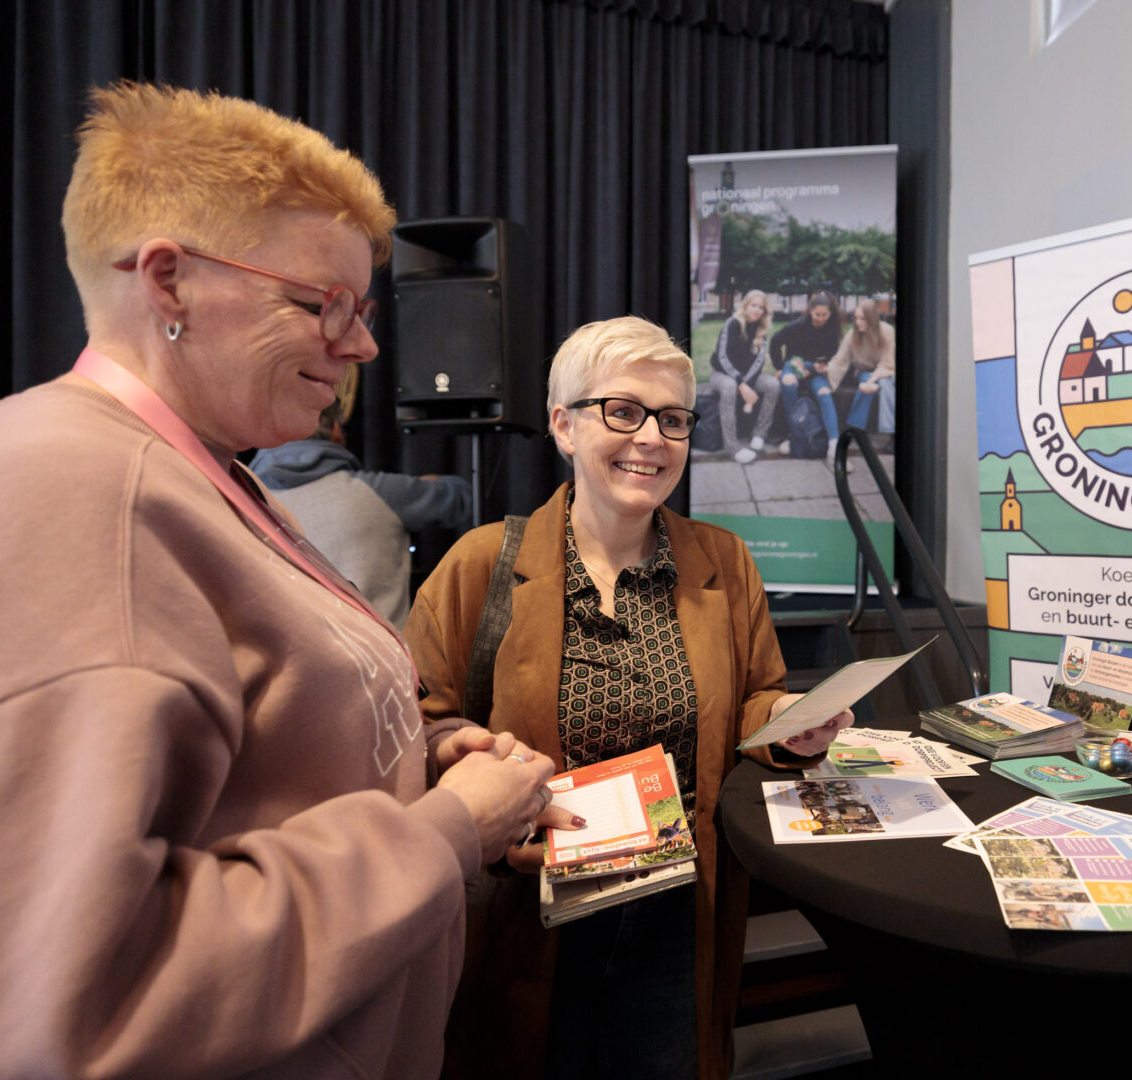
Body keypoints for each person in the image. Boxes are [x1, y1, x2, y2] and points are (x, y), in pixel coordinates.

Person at [0, 84, 568, 1079]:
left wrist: (419, 758)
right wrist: (450, 828)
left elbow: (248, 763)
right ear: (169, 282)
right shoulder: (68, 488)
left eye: (361, 309)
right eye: (320, 305)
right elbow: (76, 999)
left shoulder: (204, 471)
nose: (363, 346)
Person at [407, 316, 853, 1080]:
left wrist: (787, 724)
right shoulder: (481, 565)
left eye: (673, 419)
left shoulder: (723, 562)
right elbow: (415, 729)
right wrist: (471, 772)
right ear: (563, 425)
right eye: (623, 411)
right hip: (531, 918)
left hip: (678, 916)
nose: (651, 438)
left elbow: (755, 698)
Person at [252, 398, 472, 626]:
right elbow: (461, 497)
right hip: (377, 647)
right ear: (336, 430)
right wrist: (431, 483)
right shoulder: (380, 492)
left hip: (278, 646)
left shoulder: (244, 497)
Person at [708, 289, 781, 463]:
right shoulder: (732, 324)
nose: (756, 310)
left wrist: (746, 384)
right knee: (729, 386)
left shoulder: (762, 331)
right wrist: (741, 384)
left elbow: (758, 363)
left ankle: (760, 434)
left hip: (748, 378)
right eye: (753, 305)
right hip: (722, 374)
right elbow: (722, 358)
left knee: (773, 384)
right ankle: (732, 447)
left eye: (761, 308)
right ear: (745, 306)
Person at [771, 292, 844, 459]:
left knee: (824, 393)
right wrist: (779, 367)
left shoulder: (832, 331)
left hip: (816, 371)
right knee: (788, 382)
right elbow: (775, 341)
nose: (820, 318)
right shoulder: (796, 326)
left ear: (830, 314)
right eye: (817, 314)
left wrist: (819, 368)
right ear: (810, 310)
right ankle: (793, 435)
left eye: (824, 315)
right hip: (793, 366)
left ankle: (834, 443)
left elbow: (832, 356)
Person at [828, 298, 896, 440]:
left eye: (863, 319)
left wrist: (872, 381)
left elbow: (887, 363)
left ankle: (890, 432)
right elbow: (839, 361)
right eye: (856, 318)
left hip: (886, 371)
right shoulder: (851, 336)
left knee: (885, 385)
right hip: (864, 371)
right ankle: (855, 428)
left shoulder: (887, 331)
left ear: (872, 319)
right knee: (865, 386)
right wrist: (825, 374)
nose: (858, 322)